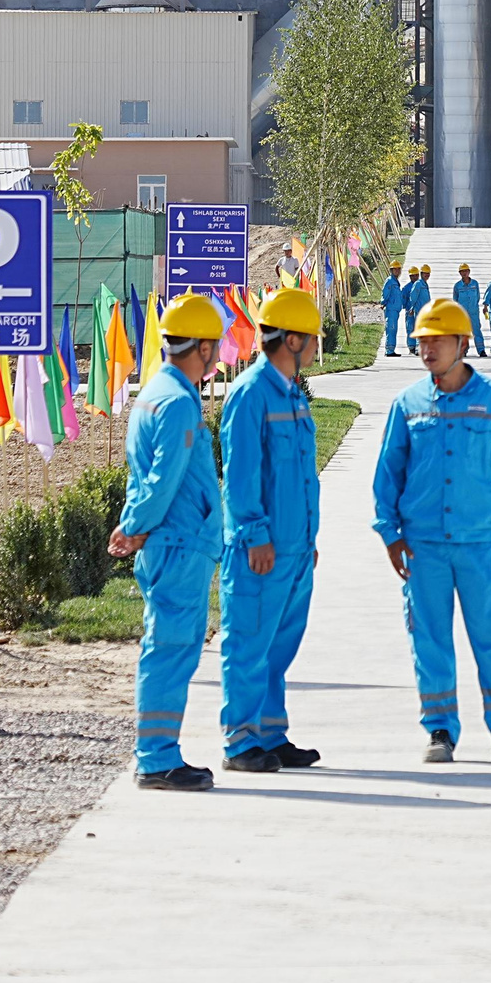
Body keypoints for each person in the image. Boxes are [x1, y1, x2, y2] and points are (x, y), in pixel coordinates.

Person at [371, 297, 491, 765]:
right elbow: (388, 473)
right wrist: (389, 532)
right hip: (423, 546)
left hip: (479, 544)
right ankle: (439, 731)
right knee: (429, 641)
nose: (427, 349)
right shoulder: (407, 404)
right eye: (422, 342)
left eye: (436, 341)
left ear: (463, 344)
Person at [106, 294, 228, 791]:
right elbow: (163, 477)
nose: (218, 356)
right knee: (171, 649)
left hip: (173, 540)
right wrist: (135, 524)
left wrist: (135, 523)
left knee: (168, 647)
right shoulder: (179, 402)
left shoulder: (156, 392)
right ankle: (156, 759)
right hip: (178, 542)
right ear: (199, 348)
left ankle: (158, 753)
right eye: (214, 347)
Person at [215, 287, 324, 773]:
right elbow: (240, 474)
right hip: (261, 548)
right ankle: (240, 742)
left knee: (278, 647)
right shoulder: (250, 393)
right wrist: (255, 533)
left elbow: (298, 474)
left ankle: (271, 735)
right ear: (294, 340)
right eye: (314, 337)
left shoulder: (291, 393)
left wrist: (307, 540)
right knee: (249, 645)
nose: (319, 344)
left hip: (295, 549)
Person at [452, 263, 489, 358]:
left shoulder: (475, 284)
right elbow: (455, 299)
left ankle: (481, 350)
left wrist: (473, 307)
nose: (464, 273)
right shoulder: (457, 286)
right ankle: (463, 350)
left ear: (469, 272)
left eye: (466, 271)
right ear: (459, 273)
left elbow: (477, 297)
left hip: (473, 312)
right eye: (462, 271)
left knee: (476, 331)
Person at [378, 265, 407, 358]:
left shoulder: (395, 281)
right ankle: (389, 350)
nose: (397, 271)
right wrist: (383, 302)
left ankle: (391, 349)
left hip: (395, 309)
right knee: (391, 328)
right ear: (391, 270)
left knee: (393, 329)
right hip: (391, 309)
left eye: (399, 269)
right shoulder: (390, 281)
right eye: (395, 269)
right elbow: (385, 292)